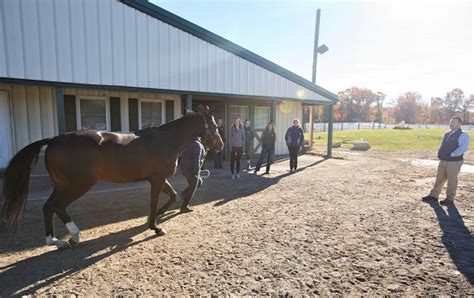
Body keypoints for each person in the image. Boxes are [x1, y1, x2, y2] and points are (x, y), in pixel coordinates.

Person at [422, 116, 470, 205]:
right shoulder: (447, 134)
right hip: (444, 160)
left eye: (454, 122)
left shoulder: (463, 134)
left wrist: (452, 155)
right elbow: (442, 146)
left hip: (454, 161)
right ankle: (434, 196)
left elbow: (462, 148)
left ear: (459, 124)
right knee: (439, 178)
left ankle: (450, 199)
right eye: (450, 122)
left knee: (452, 180)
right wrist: (440, 154)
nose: (451, 124)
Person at [179, 137, 206, 212]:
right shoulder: (198, 145)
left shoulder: (189, 142)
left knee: (199, 182)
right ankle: (184, 206)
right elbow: (196, 160)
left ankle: (184, 194)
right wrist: (195, 172)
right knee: (193, 186)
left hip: (184, 167)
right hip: (190, 169)